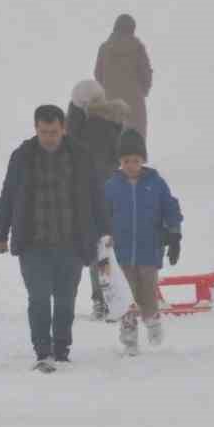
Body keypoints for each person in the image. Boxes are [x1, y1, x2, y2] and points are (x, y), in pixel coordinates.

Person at [0, 104, 111, 371]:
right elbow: (8, 194)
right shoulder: (22, 156)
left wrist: (105, 231)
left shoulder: (80, 156)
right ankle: (42, 351)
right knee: (38, 297)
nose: (49, 137)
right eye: (44, 132)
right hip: (33, 243)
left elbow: (96, 196)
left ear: (63, 129)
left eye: (54, 132)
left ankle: (61, 348)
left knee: (66, 299)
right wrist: (1, 232)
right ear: (36, 129)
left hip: (71, 242)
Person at [104, 130, 183, 353]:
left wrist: (174, 234)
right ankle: (129, 337)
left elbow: (170, 208)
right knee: (127, 296)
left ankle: (152, 320)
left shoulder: (156, 183)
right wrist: (103, 238)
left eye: (136, 160)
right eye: (127, 161)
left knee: (148, 291)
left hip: (149, 250)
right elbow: (102, 214)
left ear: (143, 160)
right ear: (120, 161)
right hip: (122, 253)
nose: (131, 165)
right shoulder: (111, 186)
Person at [67, 79, 131, 319]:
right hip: (115, 189)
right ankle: (121, 296)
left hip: (92, 194)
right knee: (112, 246)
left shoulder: (86, 125)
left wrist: (74, 111)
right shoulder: (116, 121)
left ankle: (103, 300)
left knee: (98, 249)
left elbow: (71, 145)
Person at [94, 13, 153, 138]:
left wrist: (106, 89)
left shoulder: (104, 48)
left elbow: (97, 74)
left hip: (109, 102)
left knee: (111, 141)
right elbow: (146, 74)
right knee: (134, 143)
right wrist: (142, 91)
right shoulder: (137, 47)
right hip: (134, 103)